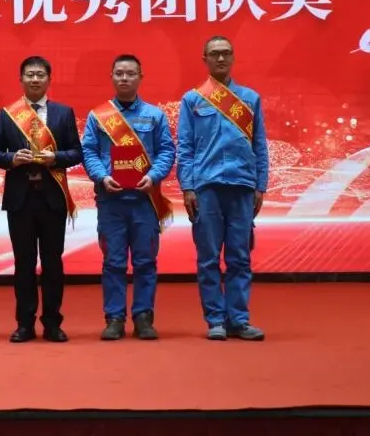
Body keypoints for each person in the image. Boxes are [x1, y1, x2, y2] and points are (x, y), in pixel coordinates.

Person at [176, 36, 268, 341]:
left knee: (240, 257)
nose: (220, 58)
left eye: (226, 53)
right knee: (208, 257)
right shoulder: (192, 99)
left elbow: (259, 145)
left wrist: (260, 185)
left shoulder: (250, 99)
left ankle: (239, 320)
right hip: (206, 187)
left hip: (242, 186)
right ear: (204, 59)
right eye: (214, 54)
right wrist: (187, 186)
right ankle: (215, 319)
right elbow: (185, 146)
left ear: (233, 57)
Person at [81, 54, 175, 340]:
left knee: (145, 261)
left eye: (130, 73)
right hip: (111, 200)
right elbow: (89, 152)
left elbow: (167, 151)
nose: (124, 78)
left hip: (144, 201)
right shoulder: (98, 116)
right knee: (114, 262)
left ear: (140, 77)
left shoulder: (155, 115)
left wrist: (154, 176)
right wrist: (101, 176)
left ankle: (144, 317)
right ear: (112, 77)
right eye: (119, 73)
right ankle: (115, 318)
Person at [0, 56, 82, 343]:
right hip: (20, 199)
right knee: (24, 263)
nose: (35, 79)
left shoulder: (63, 113)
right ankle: (24, 324)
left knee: (53, 263)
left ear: (48, 79)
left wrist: (56, 157)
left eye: (40, 75)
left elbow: (76, 152)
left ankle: (53, 322)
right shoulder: (7, 115)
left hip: (53, 198)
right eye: (29, 74)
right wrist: (11, 159)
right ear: (21, 79)